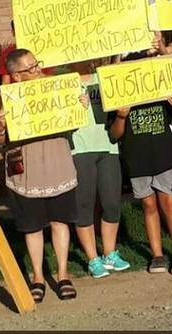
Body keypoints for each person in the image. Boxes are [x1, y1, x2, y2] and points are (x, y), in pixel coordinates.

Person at [0, 49, 79, 303]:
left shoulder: (55, 89)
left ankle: (63, 274)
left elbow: (74, 122)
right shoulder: (3, 98)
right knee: (32, 227)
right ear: (16, 76)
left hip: (57, 161)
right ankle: (38, 276)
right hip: (27, 168)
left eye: (36, 64)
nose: (37, 69)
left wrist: (77, 106)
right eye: (30, 68)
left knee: (61, 221)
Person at [108, 52, 172, 274]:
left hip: (165, 155)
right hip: (137, 157)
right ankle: (157, 255)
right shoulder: (119, 97)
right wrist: (122, 116)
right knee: (148, 205)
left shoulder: (162, 90)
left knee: (170, 203)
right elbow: (114, 135)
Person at [69, 57, 131, 279]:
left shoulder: (103, 78)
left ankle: (109, 253)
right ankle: (92, 258)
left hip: (108, 147)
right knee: (84, 204)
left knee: (112, 203)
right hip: (80, 148)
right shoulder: (62, 83)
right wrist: (72, 108)